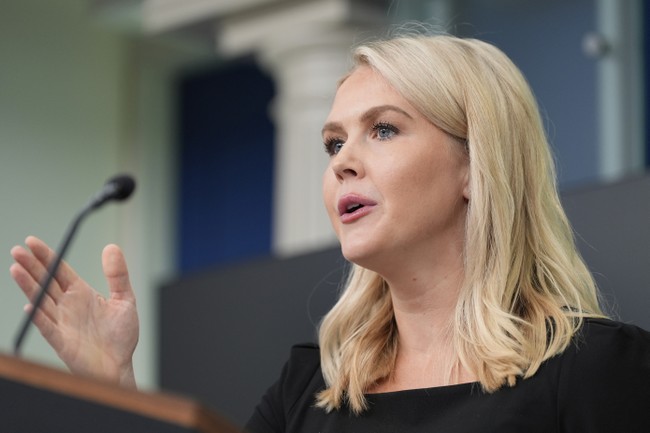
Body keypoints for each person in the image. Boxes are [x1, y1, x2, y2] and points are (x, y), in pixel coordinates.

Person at [10, 32, 650, 432]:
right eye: (333, 143)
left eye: (384, 129)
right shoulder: (310, 390)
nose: (343, 161)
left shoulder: (594, 369)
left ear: (475, 165)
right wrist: (112, 388)